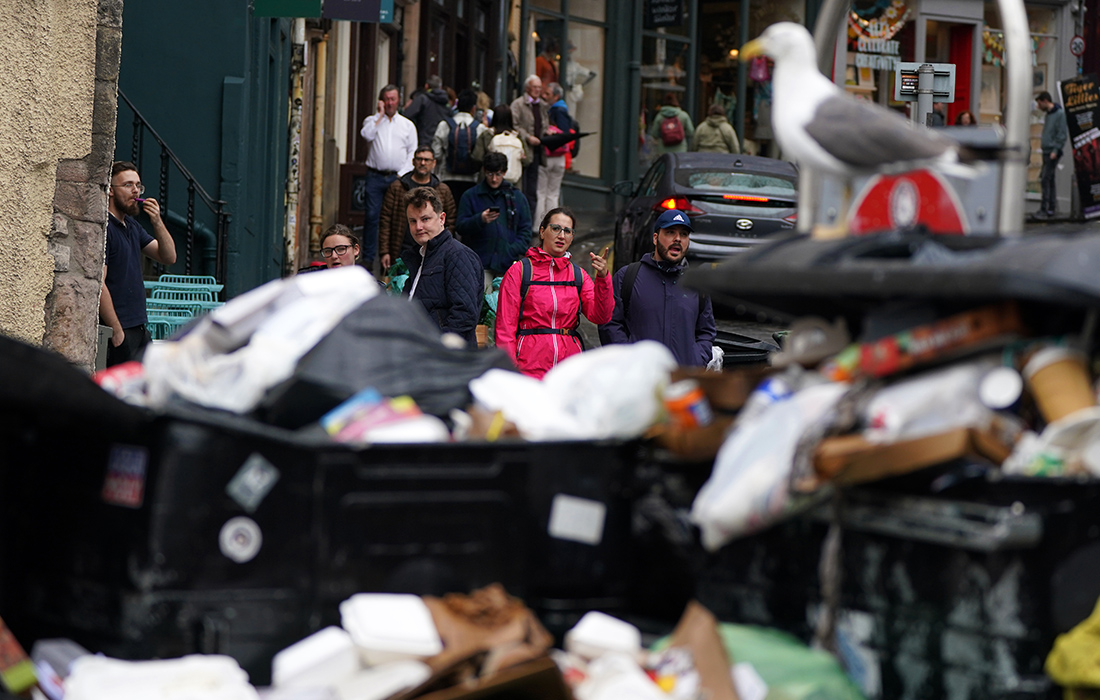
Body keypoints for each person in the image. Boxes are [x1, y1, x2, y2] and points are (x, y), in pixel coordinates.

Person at [495, 207, 613, 379]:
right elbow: (505, 327)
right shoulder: (519, 271)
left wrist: (603, 279)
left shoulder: (578, 275)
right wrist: (510, 370)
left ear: (572, 237)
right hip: (529, 368)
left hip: (569, 370)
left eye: (567, 231)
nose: (561, 235)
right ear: (542, 232)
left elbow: (601, 317)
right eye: (556, 228)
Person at [598, 209, 716, 367]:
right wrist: (627, 360)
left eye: (684, 234)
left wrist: (696, 359)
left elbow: (706, 332)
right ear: (655, 238)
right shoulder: (627, 276)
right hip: (639, 381)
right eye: (670, 232)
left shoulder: (697, 283)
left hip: (682, 381)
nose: (677, 239)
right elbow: (609, 323)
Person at [100, 161, 177, 367]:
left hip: (139, 326)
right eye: (127, 185)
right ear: (110, 191)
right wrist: (116, 330)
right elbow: (100, 283)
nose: (135, 190)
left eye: (138, 185)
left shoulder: (132, 226)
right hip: (120, 329)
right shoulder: (105, 228)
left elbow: (168, 257)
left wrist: (157, 221)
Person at [400, 187, 484, 345]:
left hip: (444, 359)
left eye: (425, 219)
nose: (418, 227)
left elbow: (464, 315)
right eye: (413, 221)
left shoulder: (458, 255)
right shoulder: (420, 257)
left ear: (442, 218)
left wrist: (436, 346)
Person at [360, 84, 418, 271]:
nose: (390, 103)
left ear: (398, 100)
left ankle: (394, 259)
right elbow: (366, 135)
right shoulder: (372, 121)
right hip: (375, 177)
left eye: (393, 99)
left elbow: (412, 152)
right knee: (371, 216)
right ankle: (368, 259)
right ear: (381, 101)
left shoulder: (407, 125)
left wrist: (402, 175)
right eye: (387, 99)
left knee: (396, 218)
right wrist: (379, 115)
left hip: (397, 178)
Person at [456, 152, 533, 286]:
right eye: (490, 174)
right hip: (480, 261)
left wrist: (511, 249)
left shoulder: (517, 197)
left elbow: (525, 230)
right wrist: (480, 219)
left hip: (507, 263)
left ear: (504, 172)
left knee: (505, 305)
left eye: (498, 174)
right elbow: (460, 227)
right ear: (484, 171)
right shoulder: (471, 196)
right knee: (482, 303)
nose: (494, 179)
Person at [378, 148, 457, 271]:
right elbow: (385, 220)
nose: (423, 163)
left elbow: (451, 220)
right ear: (413, 161)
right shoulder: (397, 187)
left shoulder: (442, 189)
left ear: (434, 163)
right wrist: (384, 251)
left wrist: (443, 246)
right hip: (402, 250)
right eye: (419, 159)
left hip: (433, 252)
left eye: (427, 160)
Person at [432, 88, 487, 203]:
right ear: (473, 108)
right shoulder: (479, 128)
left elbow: (436, 152)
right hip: (472, 179)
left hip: (448, 177)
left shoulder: (444, 125)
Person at [510, 75, 549, 215]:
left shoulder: (543, 105)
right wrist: (527, 137)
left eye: (539, 87)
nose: (537, 90)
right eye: (535, 87)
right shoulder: (518, 104)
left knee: (532, 190)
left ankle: (530, 222)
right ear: (527, 88)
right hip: (523, 152)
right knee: (521, 188)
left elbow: (545, 123)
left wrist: (547, 131)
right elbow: (514, 125)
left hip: (538, 152)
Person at [535, 82, 572, 227]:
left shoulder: (556, 111)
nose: (544, 96)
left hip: (549, 157)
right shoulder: (564, 110)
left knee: (542, 193)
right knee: (552, 194)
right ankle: (553, 225)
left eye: (547, 94)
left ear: (556, 96)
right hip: (560, 157)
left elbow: (562, 133)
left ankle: (540, 225)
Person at [472, 104, 531, 186]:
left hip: (488, 183)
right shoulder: (517, 136)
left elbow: (477, 156)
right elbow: (528, 160)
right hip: (513, 183)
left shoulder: (487, 135)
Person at [1036, 91, 1068, 219]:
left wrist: (1055, 150)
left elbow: (1061, 134)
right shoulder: (1048, 115)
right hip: (1047, 150)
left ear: (1045, 101)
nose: (1038, 107)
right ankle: (1051, 208)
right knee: (1050, 179)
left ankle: (1044, 209)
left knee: (1045, 179)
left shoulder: (1059, 114)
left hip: (1052, 151)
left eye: (1039, 104)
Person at [403, 75, 452, 148]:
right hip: (440, 145)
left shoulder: (422, 99)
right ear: (440, 87)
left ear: (426, 86)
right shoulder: (446, 103)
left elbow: (406, 117)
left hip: (423, 142)